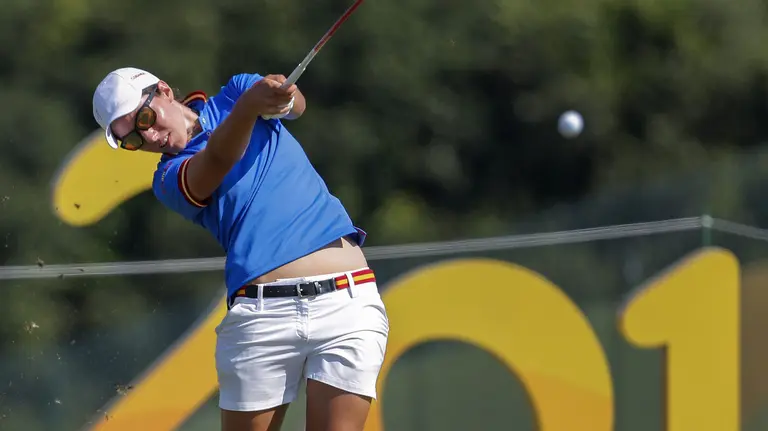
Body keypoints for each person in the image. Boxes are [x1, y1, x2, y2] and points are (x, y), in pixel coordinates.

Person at [91, 67, 389, 431]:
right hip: (262, 319)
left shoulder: (236, 92)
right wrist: (249, 108)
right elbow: (217, 160)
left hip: (348, 302)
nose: (151, 137)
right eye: (134, 140)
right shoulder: (167, 178)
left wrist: (280, 94)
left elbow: (295, 106)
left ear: (165, 91)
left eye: (146, 119)